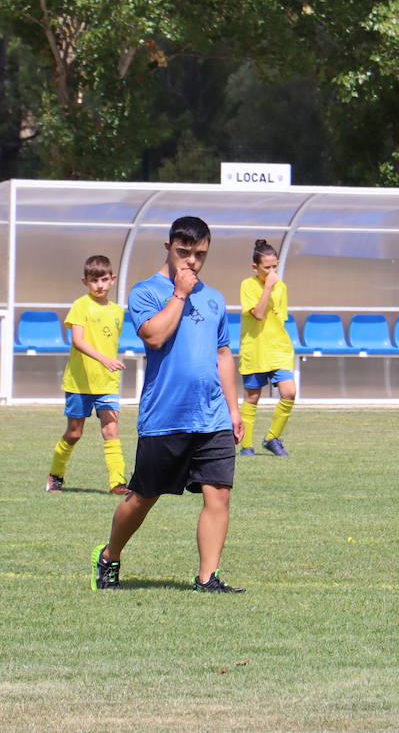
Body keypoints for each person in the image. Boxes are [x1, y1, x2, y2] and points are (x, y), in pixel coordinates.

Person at [90, 216, 246, 593]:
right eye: (183, 253)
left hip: (212, 417)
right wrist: (179, 293)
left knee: (218, 493)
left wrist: (234, 408)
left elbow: (223, 353)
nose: (191, 261)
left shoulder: (215, 299)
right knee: (144, 497)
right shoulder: (146, 292)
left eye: (199, 255)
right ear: (168, 248)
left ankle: (208, 578)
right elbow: (155, 337)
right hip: (165, 417)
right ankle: (110, 555)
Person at [47, 255, 130, 495]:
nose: (100, 285)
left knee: (111, 430)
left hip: (107, 383)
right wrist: (105, 360)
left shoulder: (117, 311)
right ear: (85, 281)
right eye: (94, 280)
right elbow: (78, 341)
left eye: (104, 279)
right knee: (74, 433)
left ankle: (118, 483)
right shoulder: (80, 305)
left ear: (112, 279)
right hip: (79, 383)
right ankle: (56, 474)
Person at [238, 238, 296, 457]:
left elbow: (279, 318)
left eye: (275, 267)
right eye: (267, 267)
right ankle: (247, 446)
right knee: (252, 397)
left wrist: (273, 286)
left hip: (278, 348)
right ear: (255, 267)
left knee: (289, 392)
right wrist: (268, 287)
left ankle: (272, 438)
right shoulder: (248, 285)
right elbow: (259, 313)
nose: (272, 271)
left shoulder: (281, 287)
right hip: (255, 349)